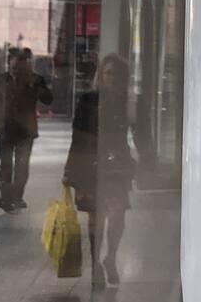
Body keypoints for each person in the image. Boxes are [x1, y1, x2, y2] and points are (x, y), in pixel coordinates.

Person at [63, 54, 134, 290]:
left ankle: (110, 256)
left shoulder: (127, 101)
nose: (112, 78)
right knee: (97, 218)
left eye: (116, 74)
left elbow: (140, 132)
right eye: (108, 73)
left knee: (118, 216)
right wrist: (70, 170)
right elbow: (77, 137)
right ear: (101, 76)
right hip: (91, 166)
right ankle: (95, 266)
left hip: (117, 166)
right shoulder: (89, 100)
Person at [0, 48, 53, 213]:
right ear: (9, 65)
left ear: (27, 67)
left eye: (20, 68)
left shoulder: (35, 80)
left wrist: (35, 85)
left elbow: (48, 99)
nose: (16, 72)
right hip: (5, 129)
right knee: (6, 166)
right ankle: (6, 197)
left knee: (22, 167)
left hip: (25, 130)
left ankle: (17, 196)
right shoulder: (1, 80)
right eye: (14, 68)